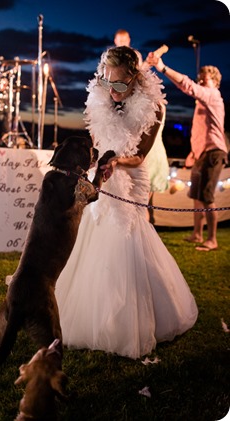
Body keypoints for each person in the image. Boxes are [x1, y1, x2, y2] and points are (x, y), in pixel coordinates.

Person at [55, 46, 198, 360]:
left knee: (127, 234)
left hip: (131, 173)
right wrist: (95, 165)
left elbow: (140, 156)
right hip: (104, 172)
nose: (113, 91)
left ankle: (134, 316)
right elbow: (98, 140)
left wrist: (117, 162)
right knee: (94, 228)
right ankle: (92, 308)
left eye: (120, 85)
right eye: (107, 83)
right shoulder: (103, 94)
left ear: (135, 79)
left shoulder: (154, 106)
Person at [146, 53, 228, 251]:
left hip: (214, 152)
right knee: (196, 196)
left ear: (215, 82)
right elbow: (201, 129)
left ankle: (212, 239)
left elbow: (187, 85)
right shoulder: (203, 102)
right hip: (201, 153)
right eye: (200, 76)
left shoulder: (213, 96)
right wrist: (194, 151)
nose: (200, 79)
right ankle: (197, 234)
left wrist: (163, 68)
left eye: (205, 77)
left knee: (207, 197)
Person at [114, 29, 169, 222]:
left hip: (139, 154)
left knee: (141, 203)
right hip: (121, 153)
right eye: (118, 41)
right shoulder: (111, 70)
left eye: (124, 41)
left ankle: (147, 225)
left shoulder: (136, 64)